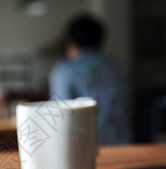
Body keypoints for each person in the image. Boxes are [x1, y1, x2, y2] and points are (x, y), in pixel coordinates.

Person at [49, 15, 131, 145]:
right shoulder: (117, 67)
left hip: (83, 149)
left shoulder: (64, 71)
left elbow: (60, 115)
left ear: (71, 42)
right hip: (121, 144)